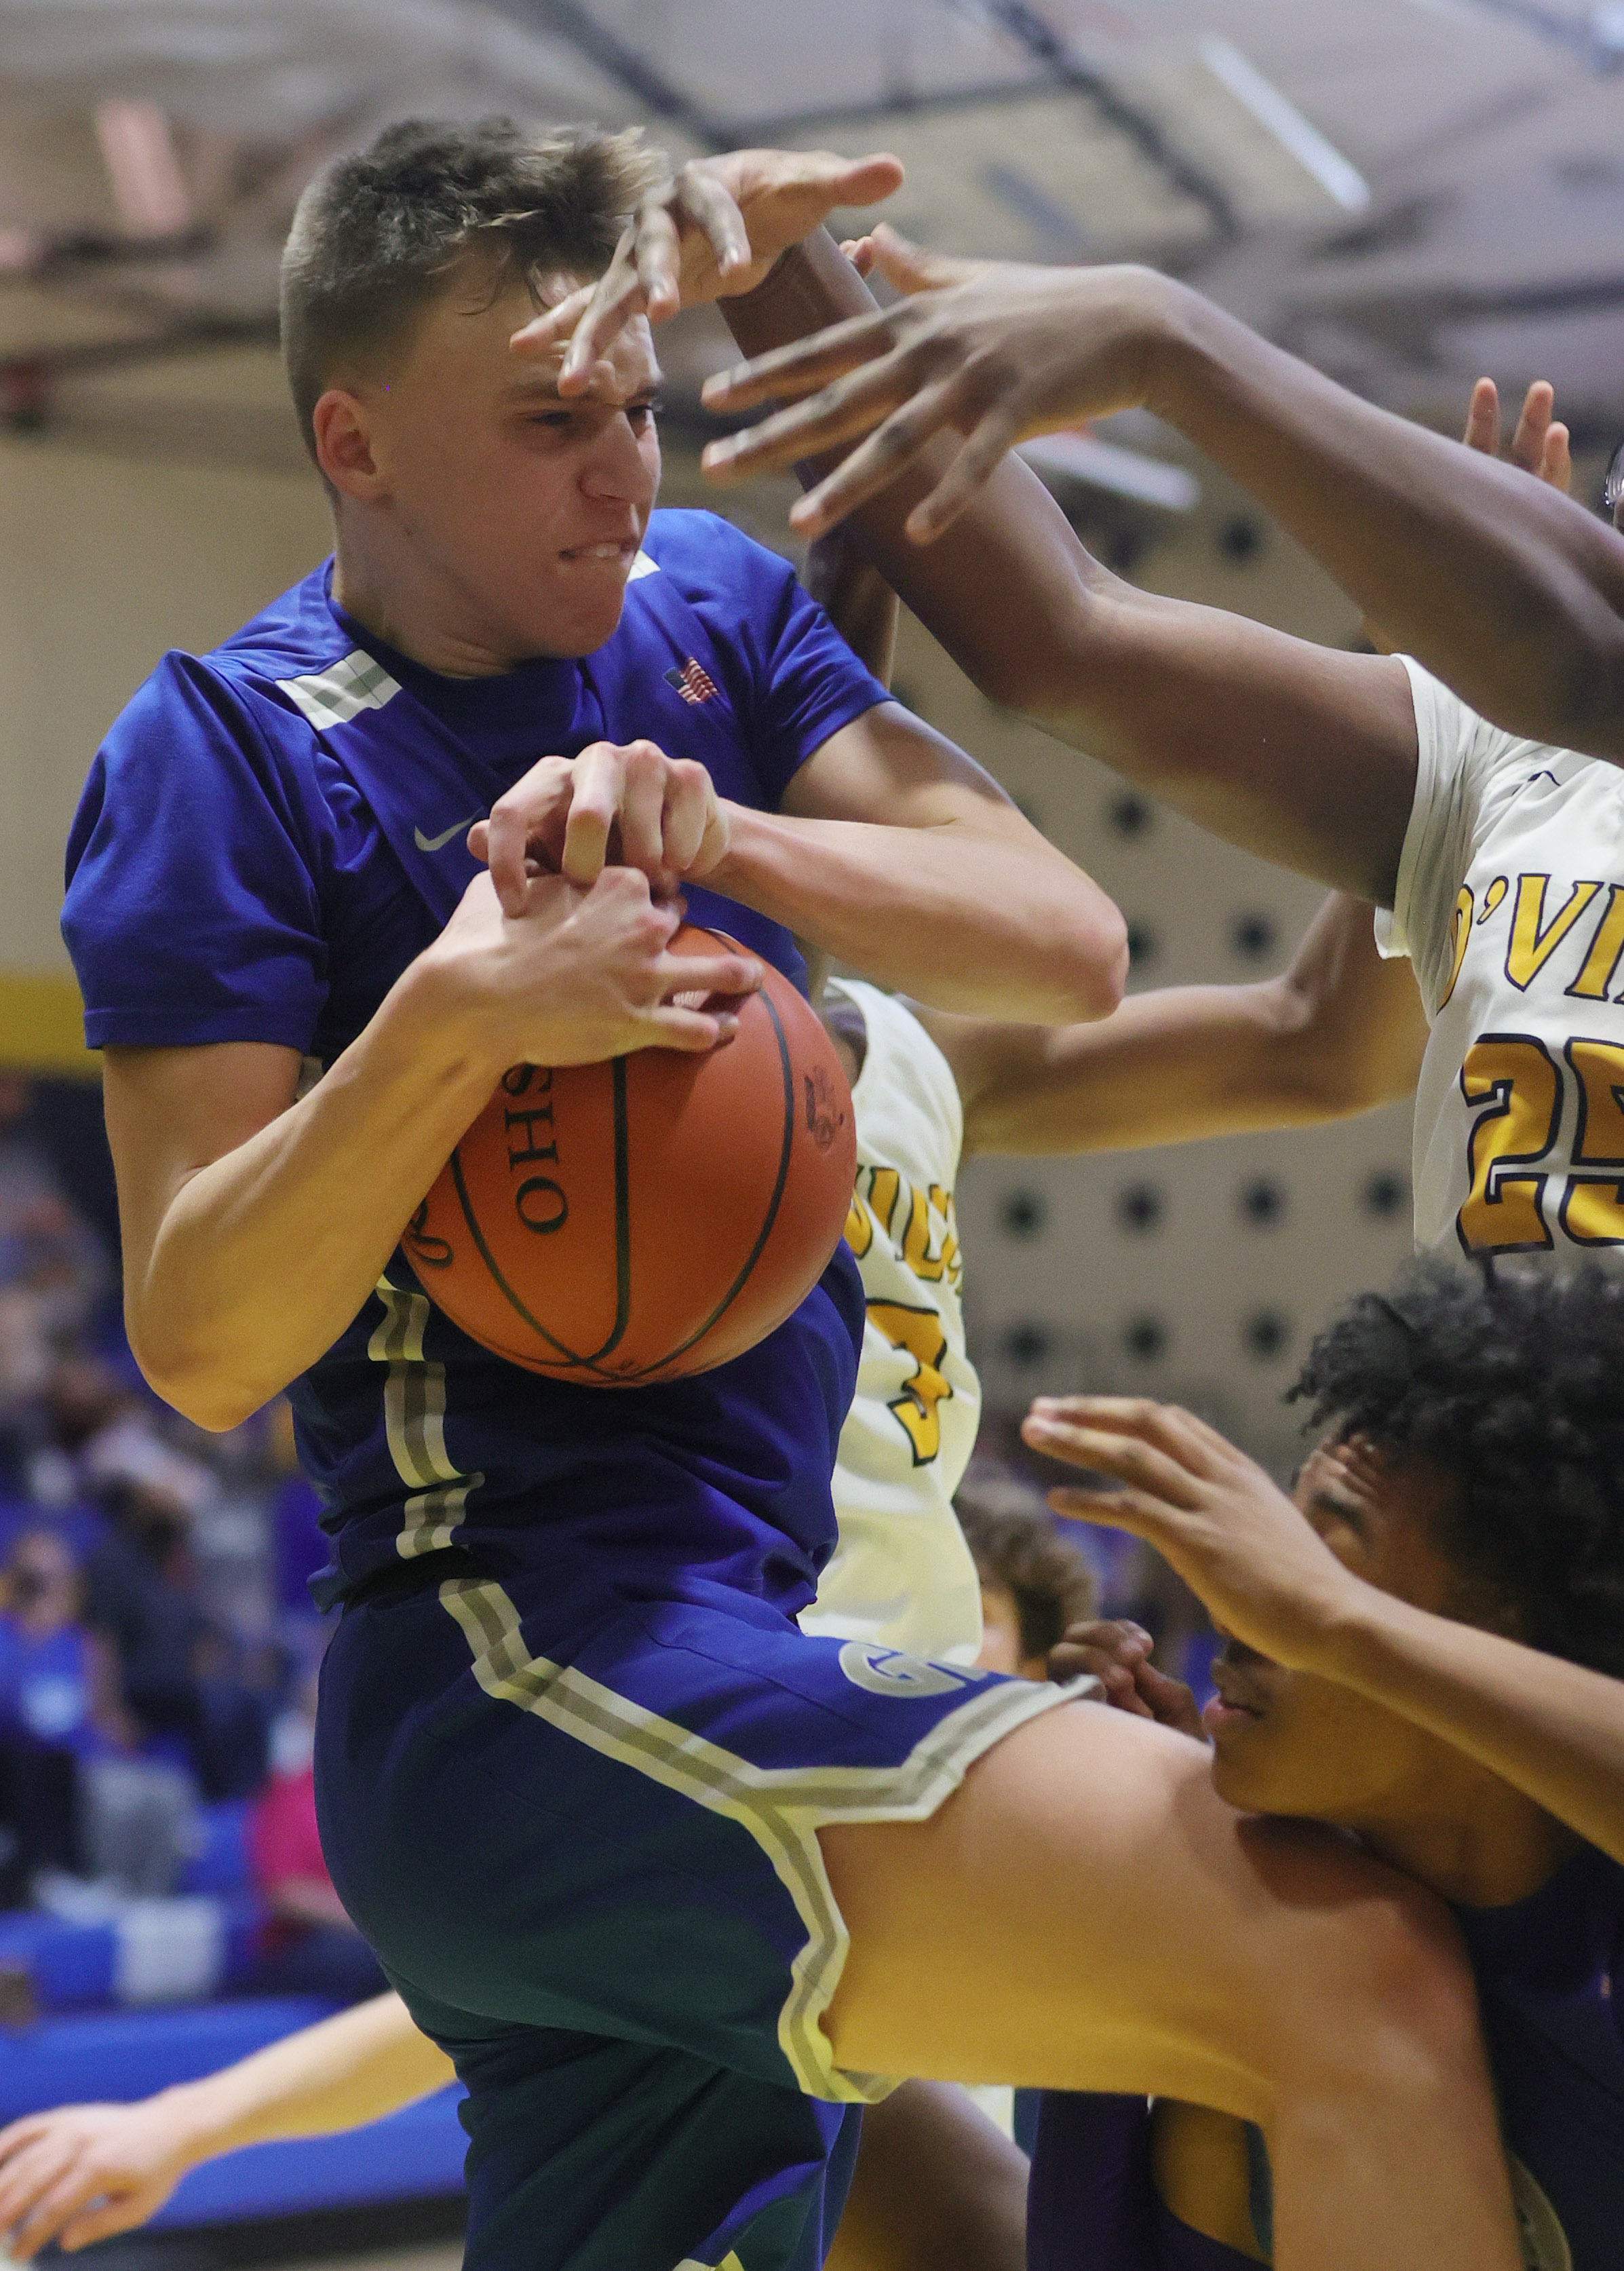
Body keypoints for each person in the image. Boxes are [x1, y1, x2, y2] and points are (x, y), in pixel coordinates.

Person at [58, 121, 1524, 2271]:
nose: (622, 472)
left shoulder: (709, 619)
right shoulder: (227, 749)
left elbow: (1063, 937)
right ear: (354, 441)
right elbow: (197, 1338)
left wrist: (726, 844)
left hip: (741, 1630)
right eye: (551, 422)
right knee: (1341, 1960)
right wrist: (461, 1021)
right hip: (528, 1654)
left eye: (637, 408)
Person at [567, 191, 1624, 1271]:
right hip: (1486, 1422)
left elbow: (1307, 1046)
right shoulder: (1504, 756)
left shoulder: (926, 1064)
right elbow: (1065, 633)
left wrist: (1154, 332)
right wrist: (772, 249)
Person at [1020, 1262, 1624, 2271]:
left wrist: (1333, 1620)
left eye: (1316, 1555)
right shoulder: (1272, 1945)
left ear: (1505, 1641)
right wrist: (1142, 1881)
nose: (1238, 1604)